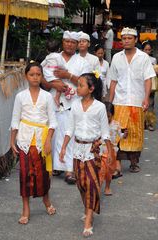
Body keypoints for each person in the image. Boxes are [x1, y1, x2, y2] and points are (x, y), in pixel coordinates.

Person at [59, 72, 113, 237]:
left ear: (91, 88)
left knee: (91, 184)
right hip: (77, 150)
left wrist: (110, 151)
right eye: (78, 84)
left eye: (81, 85)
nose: (78, 88)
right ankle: (87, 208)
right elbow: (69, 129)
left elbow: (105, 133)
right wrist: (63, 148)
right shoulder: (75, 105)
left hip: (93, 152)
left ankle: (88, 221)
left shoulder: (99, 107)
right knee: (81, 184)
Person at [10, 62, 58, 224]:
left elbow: (52, 122)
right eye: (32, 74)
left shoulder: (47, 96)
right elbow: (15, 120)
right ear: (26, 76)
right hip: (24, 140)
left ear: (42, 76)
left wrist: (48, 141)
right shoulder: (20, 96)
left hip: (42, 140)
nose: (35, 77)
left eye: (38, 74)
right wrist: (12, 142)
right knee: (24, 174)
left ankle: (46, 200)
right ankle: (26, 207)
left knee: (43, 174)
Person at [41, 31, 91, 184]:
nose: (69, 44)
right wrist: (53, 84)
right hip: (54, 102)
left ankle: (69, 169)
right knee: (54, 134)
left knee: (70, 135)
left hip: (74, 103)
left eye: (73, 42)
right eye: (67, 41)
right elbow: (41, 77)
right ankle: (55, 166)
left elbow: (87, 83)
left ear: (77, 45)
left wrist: (67, 75)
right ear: (62, 42)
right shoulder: (53, 58)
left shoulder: (82, 62)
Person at [109, 27, 156, 174]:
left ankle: (134, 162)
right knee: (118, 131)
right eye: (124, 38)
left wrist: (146, 98)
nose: (126, 41)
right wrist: (109, 103)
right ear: (121, 40)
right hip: (119, 101)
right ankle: (117, 163)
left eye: (129, 38)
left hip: (137, 101)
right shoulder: (116, 57)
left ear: (136, 40)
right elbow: (113, 81)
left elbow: (148, 79)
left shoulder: (143, 57)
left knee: (135, 133)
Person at [99, 102, 128, 195]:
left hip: (112, 152)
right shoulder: (99, 124)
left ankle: (107, 187)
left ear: (112, 114)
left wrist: (125, 135)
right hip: (101, 151)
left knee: (109, 172)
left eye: (109, 116)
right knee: (101, 170)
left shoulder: (116, 124)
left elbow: (121, 136)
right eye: (105, 116)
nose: (107, 119)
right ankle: (98, 188)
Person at [41, 40, 75, 107]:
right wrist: (65, 70)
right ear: (59, 49)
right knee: (60, 85)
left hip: (48, 74)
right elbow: (61, 64)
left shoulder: (47, 57)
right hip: (54, 73)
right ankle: (59, 96)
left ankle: (67, 90)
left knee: (59, 84)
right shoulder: (58, 56)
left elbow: (41, 65)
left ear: (47, 50)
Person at [142, 40, 157, 131]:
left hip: (151, 85)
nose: (147, 52)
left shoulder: (153, 60)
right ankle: (142, 123)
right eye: (145, 50)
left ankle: (150, 123)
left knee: (150, 105)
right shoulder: (139, 59)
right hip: (140, 84)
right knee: (141, 103)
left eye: (149, 50)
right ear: (142, 50)